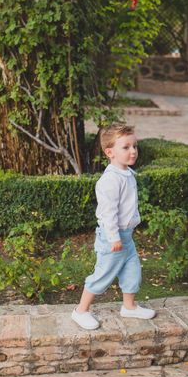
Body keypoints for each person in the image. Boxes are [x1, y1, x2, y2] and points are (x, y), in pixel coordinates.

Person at [71, 124, 156, 330]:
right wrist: (114, 237)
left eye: (134, 146)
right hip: (113, 238)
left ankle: (129, 306)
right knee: (103, 275)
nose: (133, 151)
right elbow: (108, 213)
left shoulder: (127, 173)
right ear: (110, 152)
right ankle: (81, 311)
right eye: (126, 147)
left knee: (132, 271)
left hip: (126, 237)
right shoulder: (110, 180)